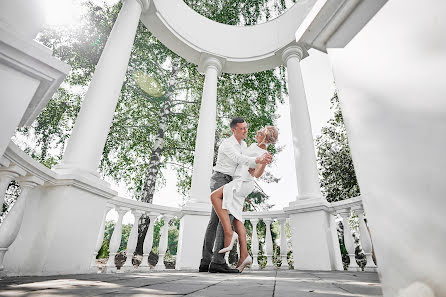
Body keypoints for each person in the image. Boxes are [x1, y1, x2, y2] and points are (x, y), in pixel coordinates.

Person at [199, 117, 272, 273]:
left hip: (232, 181)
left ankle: (208, 261)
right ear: (234, 130)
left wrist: (256, 166)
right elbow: (238, 159)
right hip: (220, 179)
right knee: (220, 221)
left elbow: (248, 165)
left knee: (215, 221)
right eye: (242, 128)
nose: (246, 130)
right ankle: (215, 262)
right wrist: (256, 160)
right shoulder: (227, 144)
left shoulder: (244, 145)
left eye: (246, 127)